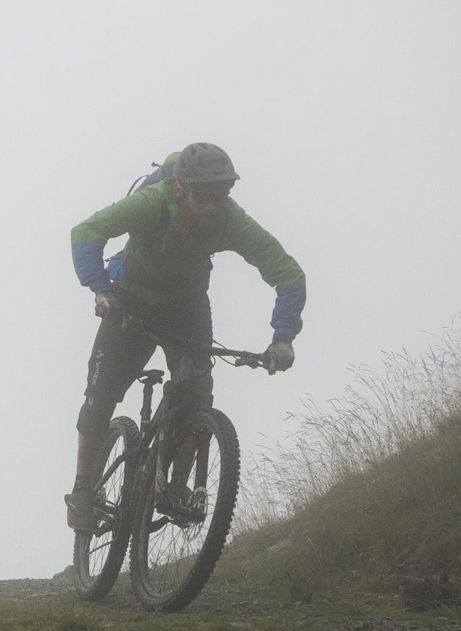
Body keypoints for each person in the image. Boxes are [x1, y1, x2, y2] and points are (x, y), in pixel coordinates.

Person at [64, 142, 306, 530]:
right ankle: (81, 492)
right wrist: (101, 288)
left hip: (185, 305)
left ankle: (175, 487)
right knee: (100, 398)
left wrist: (283, 336)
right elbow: (87, 231)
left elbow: (288, 274)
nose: (210, 206)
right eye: (201, 197)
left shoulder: (230, 221)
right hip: (131, 300)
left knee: (196, 397)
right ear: (180, 190)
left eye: (220, 196)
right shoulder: (153, 203)